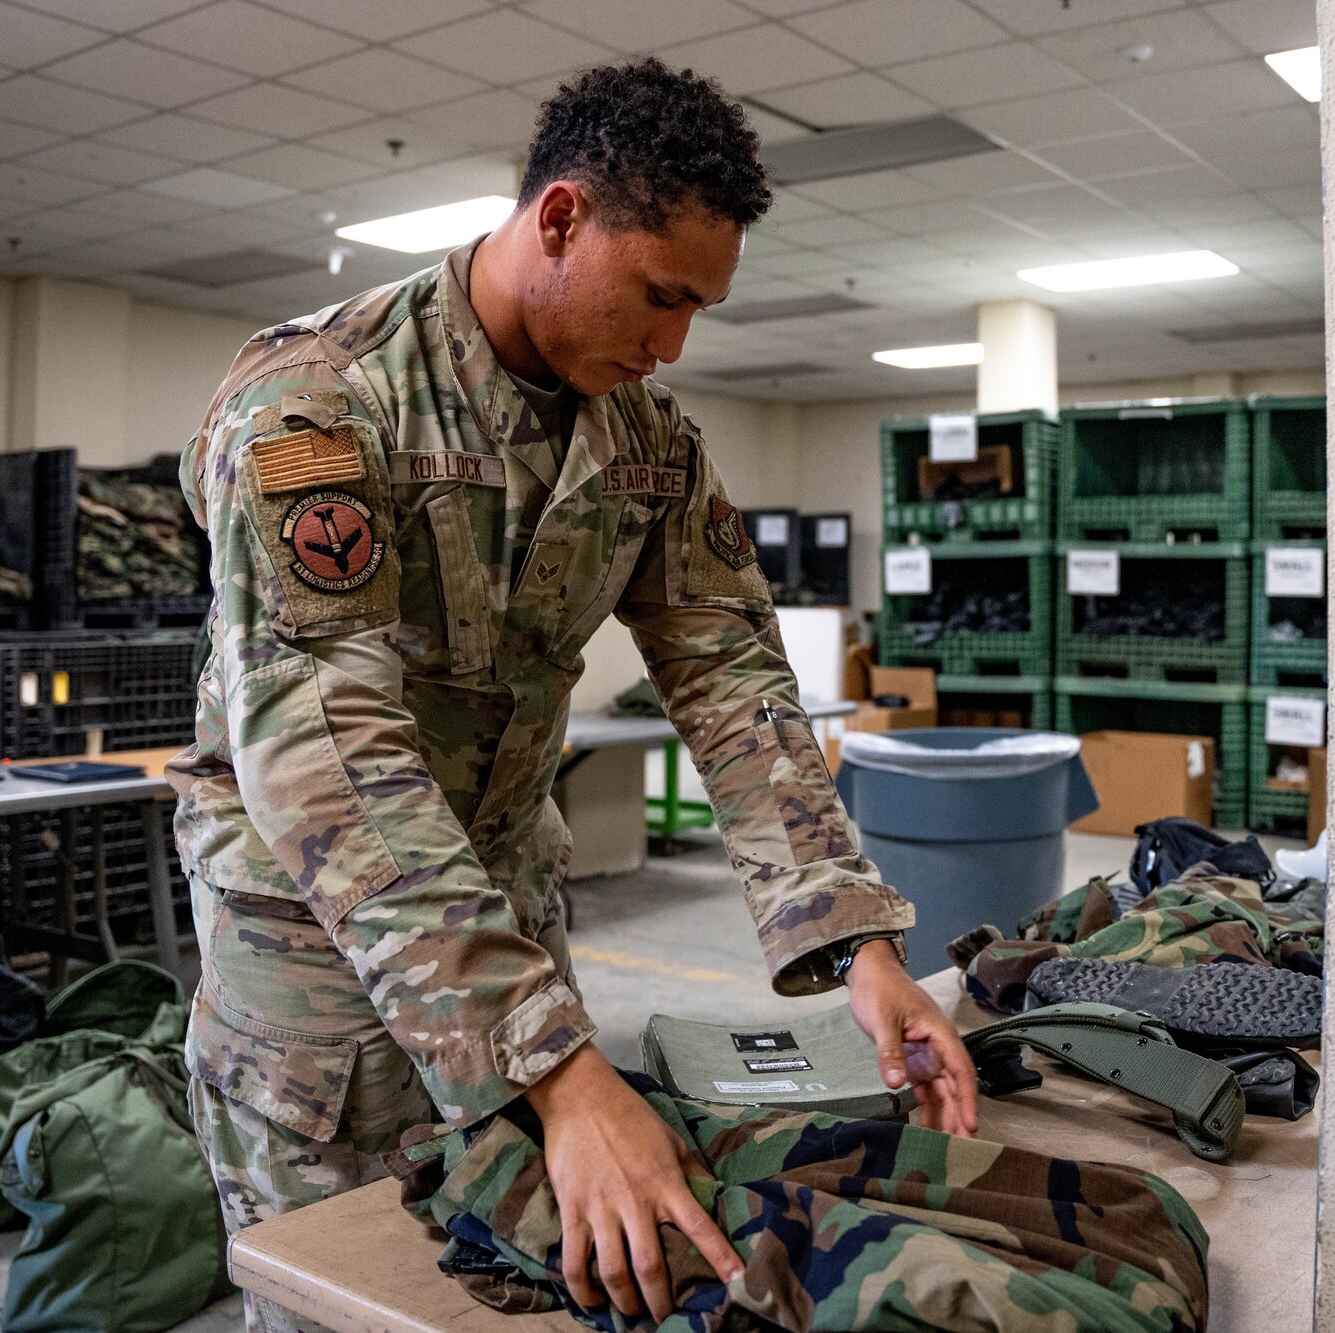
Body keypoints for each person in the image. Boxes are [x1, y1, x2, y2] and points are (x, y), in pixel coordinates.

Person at [172, 59, 981, 1332]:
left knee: (536, 1277)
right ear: (559, 219)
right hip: (317, 955)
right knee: (339, 1294)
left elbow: (728, 675)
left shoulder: (643, 437)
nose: (672, 343)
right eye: (660, 296)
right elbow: (323, 745)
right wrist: (554, 1063)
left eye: (699, 309)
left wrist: (856, 941)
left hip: (503, 907)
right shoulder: (320, 404)